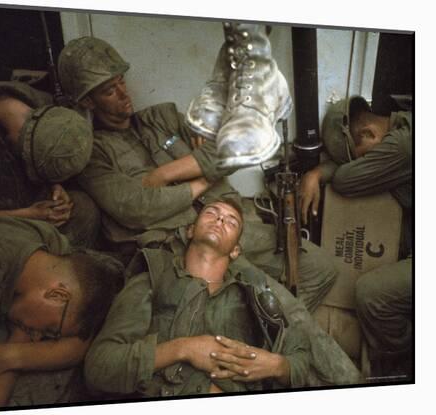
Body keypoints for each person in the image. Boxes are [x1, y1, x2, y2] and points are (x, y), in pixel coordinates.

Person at [57, 36, 336, 312]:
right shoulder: (94, 154)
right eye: (109, 91)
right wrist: (203, 173)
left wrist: (166, 174)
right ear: (89, 102)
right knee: (243, 303)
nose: (123, 93)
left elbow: (232, 149)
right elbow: (136, 207)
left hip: (228, 225)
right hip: (175, 247)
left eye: (121, 82)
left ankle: (275, 341)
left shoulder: (162, 119)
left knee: (320, 269)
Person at [84, 199, 361, 398]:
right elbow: (100, 367)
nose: (220, 219)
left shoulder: (253, 294)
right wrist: (184, 349)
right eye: (211, 213)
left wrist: (278, 366)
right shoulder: (151, 281)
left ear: (236, 251)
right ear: (190, 231)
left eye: (231, 221)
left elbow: (301, 356)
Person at [0, 216, 122, 410]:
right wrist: (17, 346)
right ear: (57, 294)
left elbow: (78, 345)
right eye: (50, 329)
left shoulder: (48, 244)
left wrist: (8, 354)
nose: (38, 336)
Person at [300, 95, 412, 379]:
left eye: (362, 158)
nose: (365, 164)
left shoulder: (402, 145)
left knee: (373, 293)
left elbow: (345, 180)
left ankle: (398, 368)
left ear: (368, 133)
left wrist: (316, 174)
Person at [0, 80, 100, 248]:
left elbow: (48, 152)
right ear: (20, 148)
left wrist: (56, 188)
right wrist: (26, 215)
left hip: (23, 197)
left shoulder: (42, 105)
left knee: (83, 208)